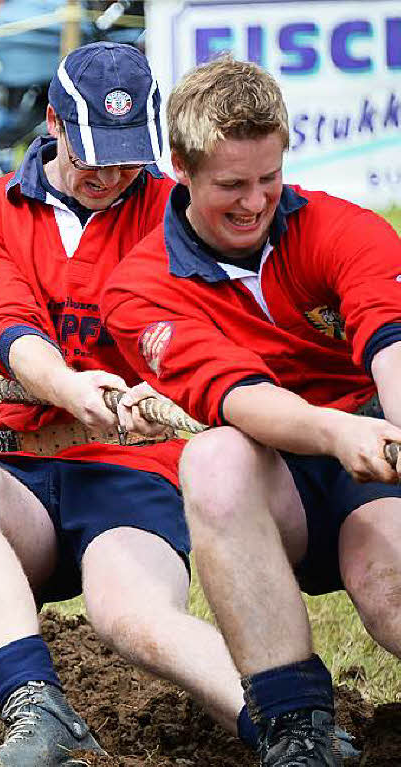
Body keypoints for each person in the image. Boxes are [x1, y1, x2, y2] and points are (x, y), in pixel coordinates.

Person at [0, 42, 280, 767]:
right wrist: (69, 386)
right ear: (53, 121)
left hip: (137, 464)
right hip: (22, 461)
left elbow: (220, 330)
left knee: (131, 614)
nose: (110, 173)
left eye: (126, 156)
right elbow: (4, 321)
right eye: (92, 152)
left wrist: (175, 385)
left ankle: (290, 726)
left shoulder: (181, 215)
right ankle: (36, 711)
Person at [101, 57, 401, 767]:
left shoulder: (342, 226)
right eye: (231, 185)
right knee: (211, 455)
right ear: (180, 167)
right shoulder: (139, 289)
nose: (254, 201)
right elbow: (238, 396)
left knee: (383, 583)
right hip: (275, 467)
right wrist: (336, 431)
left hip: (374, 456)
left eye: (269, 179)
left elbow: (389, 337)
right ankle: (296, 726)